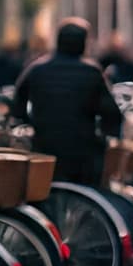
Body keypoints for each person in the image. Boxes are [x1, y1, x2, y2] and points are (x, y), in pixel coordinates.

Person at [10, 19, 123, 186]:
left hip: (44, 148)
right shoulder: (91, 72)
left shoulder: (37, 69)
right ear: (84, 43)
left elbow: (17, 105)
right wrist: (106, 138)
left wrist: (29, 124)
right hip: (82, 150)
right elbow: (111, 113)